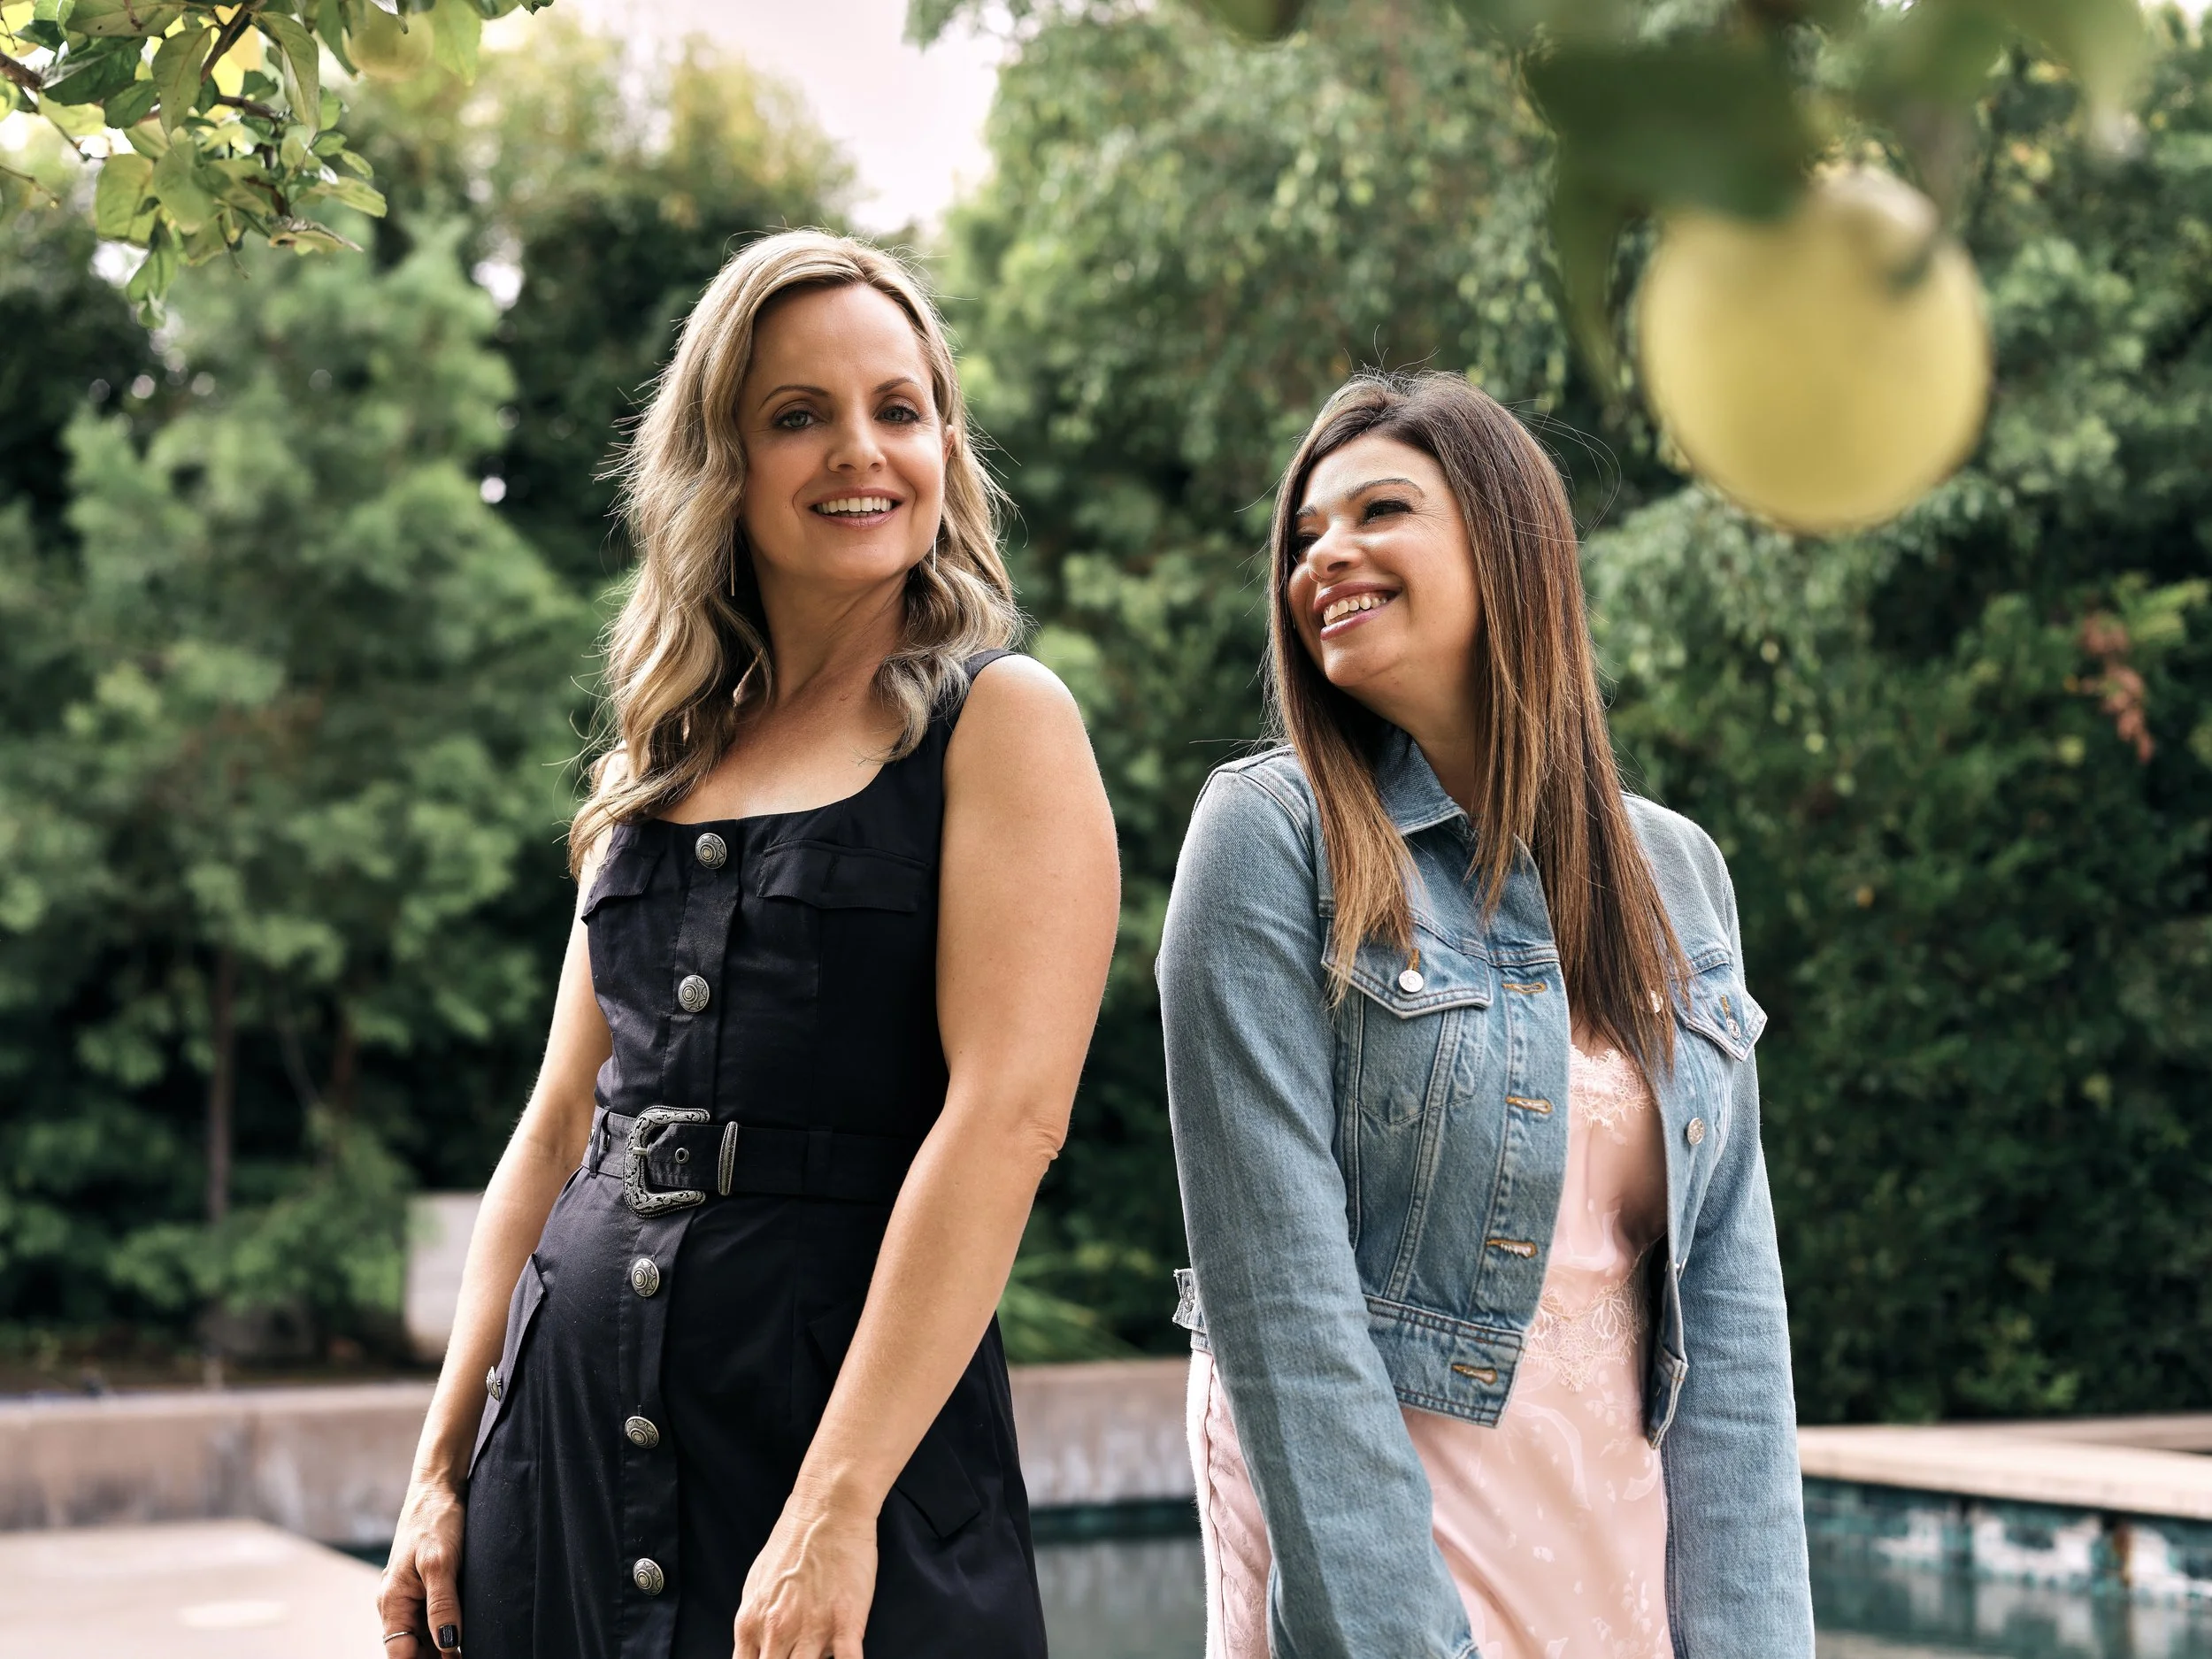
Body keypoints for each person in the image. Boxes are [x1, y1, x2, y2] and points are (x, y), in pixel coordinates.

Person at [375, 230, 1119, 1659]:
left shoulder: (1000, 723)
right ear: (723, 460)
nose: (862, 450)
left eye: (899, 410)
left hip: (848, 1464)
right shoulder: (655, 762)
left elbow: (1008, 1117)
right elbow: (551, 1136)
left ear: (946, 447)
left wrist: (834, 1505)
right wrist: (440, 1460)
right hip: (567, 1467)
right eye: (800, 415)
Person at [1160, 372, 1813, 1658]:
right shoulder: (1267, 840)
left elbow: (1733, 1318)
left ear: (1508, 546)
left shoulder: (1678, 872)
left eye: (1379, 510)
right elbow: (1278, 1304)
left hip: (1612, 1519)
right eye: (1303, 536)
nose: (1324, 556)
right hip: (1387, 1529)